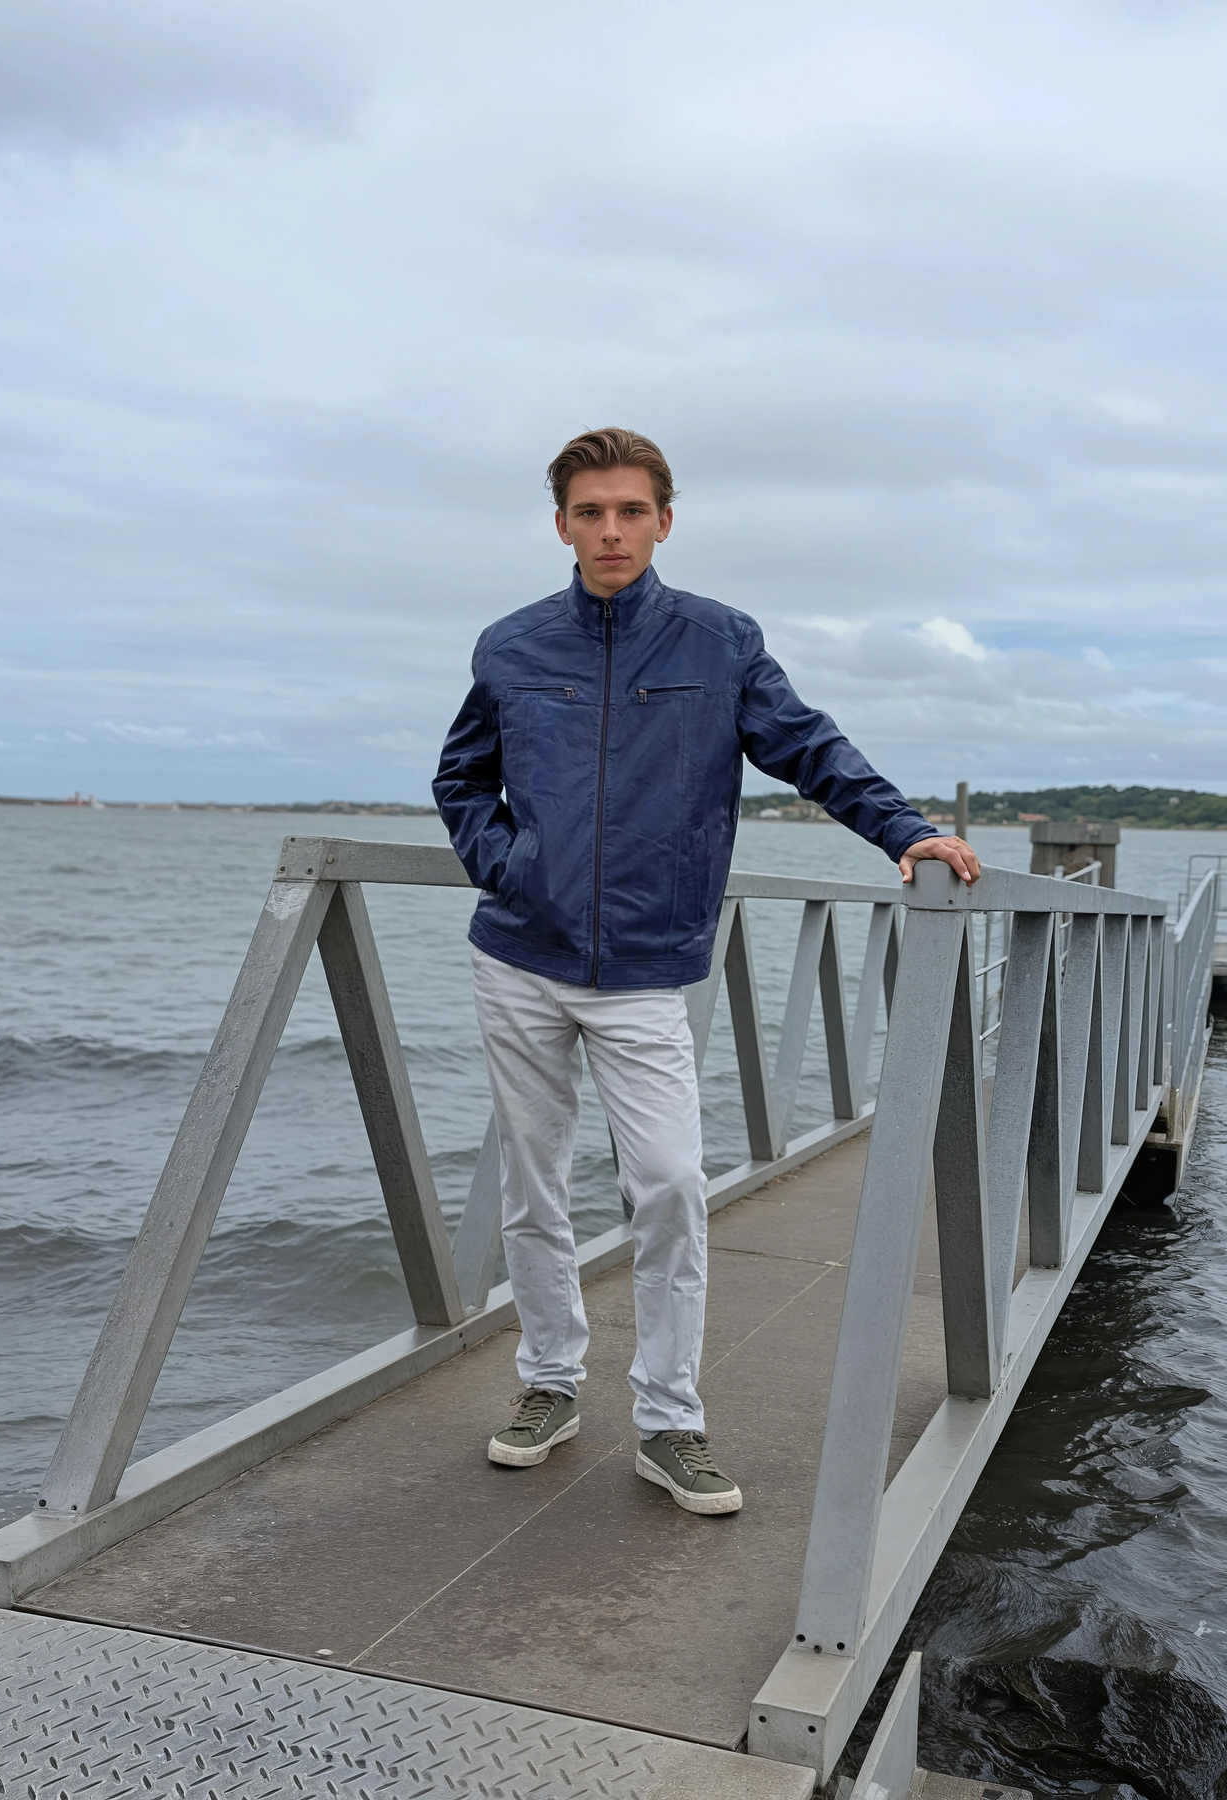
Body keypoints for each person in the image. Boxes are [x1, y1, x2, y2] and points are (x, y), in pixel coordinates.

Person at [434, 427, 979, 1517]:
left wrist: (905, 830)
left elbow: (810, 749)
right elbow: (462, 779)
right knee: (534, 1190)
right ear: (561, 525)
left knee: (672, 1187)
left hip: (645, 968)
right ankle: (550, 1384)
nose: (611, 531)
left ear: (664, 521)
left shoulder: (719, 642)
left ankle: (669, 1420)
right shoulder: (511, 645)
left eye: (631, 511)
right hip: (521, 960)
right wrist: (511, 867)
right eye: (591, 513)